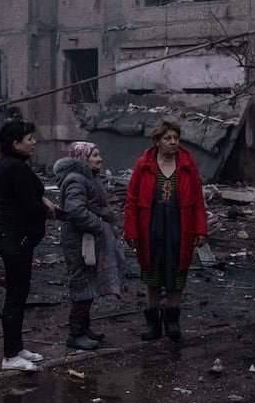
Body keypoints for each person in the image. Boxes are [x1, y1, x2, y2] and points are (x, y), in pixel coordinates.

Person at [125, 119, 208, 342]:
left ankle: (172, 321)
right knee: (152, 272)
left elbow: (198, 200)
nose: (173, 142)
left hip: (181, 226)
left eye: (175, 138)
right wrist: (131, 231)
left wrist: (201, 229)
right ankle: (153, 324)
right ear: (157, 141)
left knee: (177, 271)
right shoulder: (144, 164)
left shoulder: (188, 164)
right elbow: (132, 200)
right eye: (167, 138)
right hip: (150, 226)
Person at [0, 118, 56, 372]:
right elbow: (29, 205)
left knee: (18, 294)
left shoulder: (13, 165)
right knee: (15, 296)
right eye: (29, 139)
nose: (34, 142)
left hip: (14, 239)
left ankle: (17, 348)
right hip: (14, 239)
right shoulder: (15, 167)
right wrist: (46, 209)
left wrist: (42, 199)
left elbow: (29, 194)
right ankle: (9, 356)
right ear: (16, 143)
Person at [54, 141, 122, 351]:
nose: (99, 158)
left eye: (99, 154)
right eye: (94, 155)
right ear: (83, 158)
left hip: (88, 239)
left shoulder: (88, 177)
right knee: (82, 282)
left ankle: (84, 328)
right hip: (80, 240)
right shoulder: (76, 180)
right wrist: (100, 225)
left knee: (89, 282)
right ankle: (75, 334)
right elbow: (75, 211)